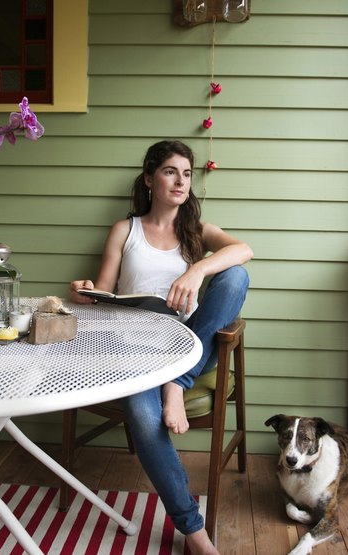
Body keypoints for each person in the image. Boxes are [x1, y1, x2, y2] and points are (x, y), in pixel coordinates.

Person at [68, 140, 252, 554]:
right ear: (150, 179)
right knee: (142, 416)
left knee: (235, 276)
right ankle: (194, 531)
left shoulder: (197, 232)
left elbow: (245, 250)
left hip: (188, 346)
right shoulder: (125, 230)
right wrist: (84, 292)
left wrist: (198, 270)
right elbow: (104, 291)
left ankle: (177, 382)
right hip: (133, 351)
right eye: (170, 171)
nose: (180, 181)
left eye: (186, 174)